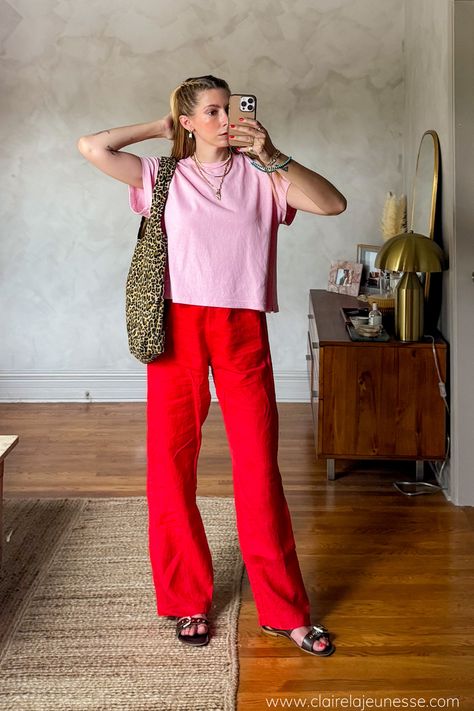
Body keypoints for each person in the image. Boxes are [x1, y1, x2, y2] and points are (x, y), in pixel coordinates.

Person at [77, 74, 346, 657]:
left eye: (232, 109)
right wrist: (159, 127)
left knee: (258, 468)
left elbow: (332, 203)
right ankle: (187, 599)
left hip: (241, 328)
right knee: (171, 468)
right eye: (213, 111)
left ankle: (286, 610)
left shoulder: (263, 177)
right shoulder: (160, 176)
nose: (227, 119)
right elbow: (92, 147)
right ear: (190, 121)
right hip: (177, 326)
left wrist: (272, 155)